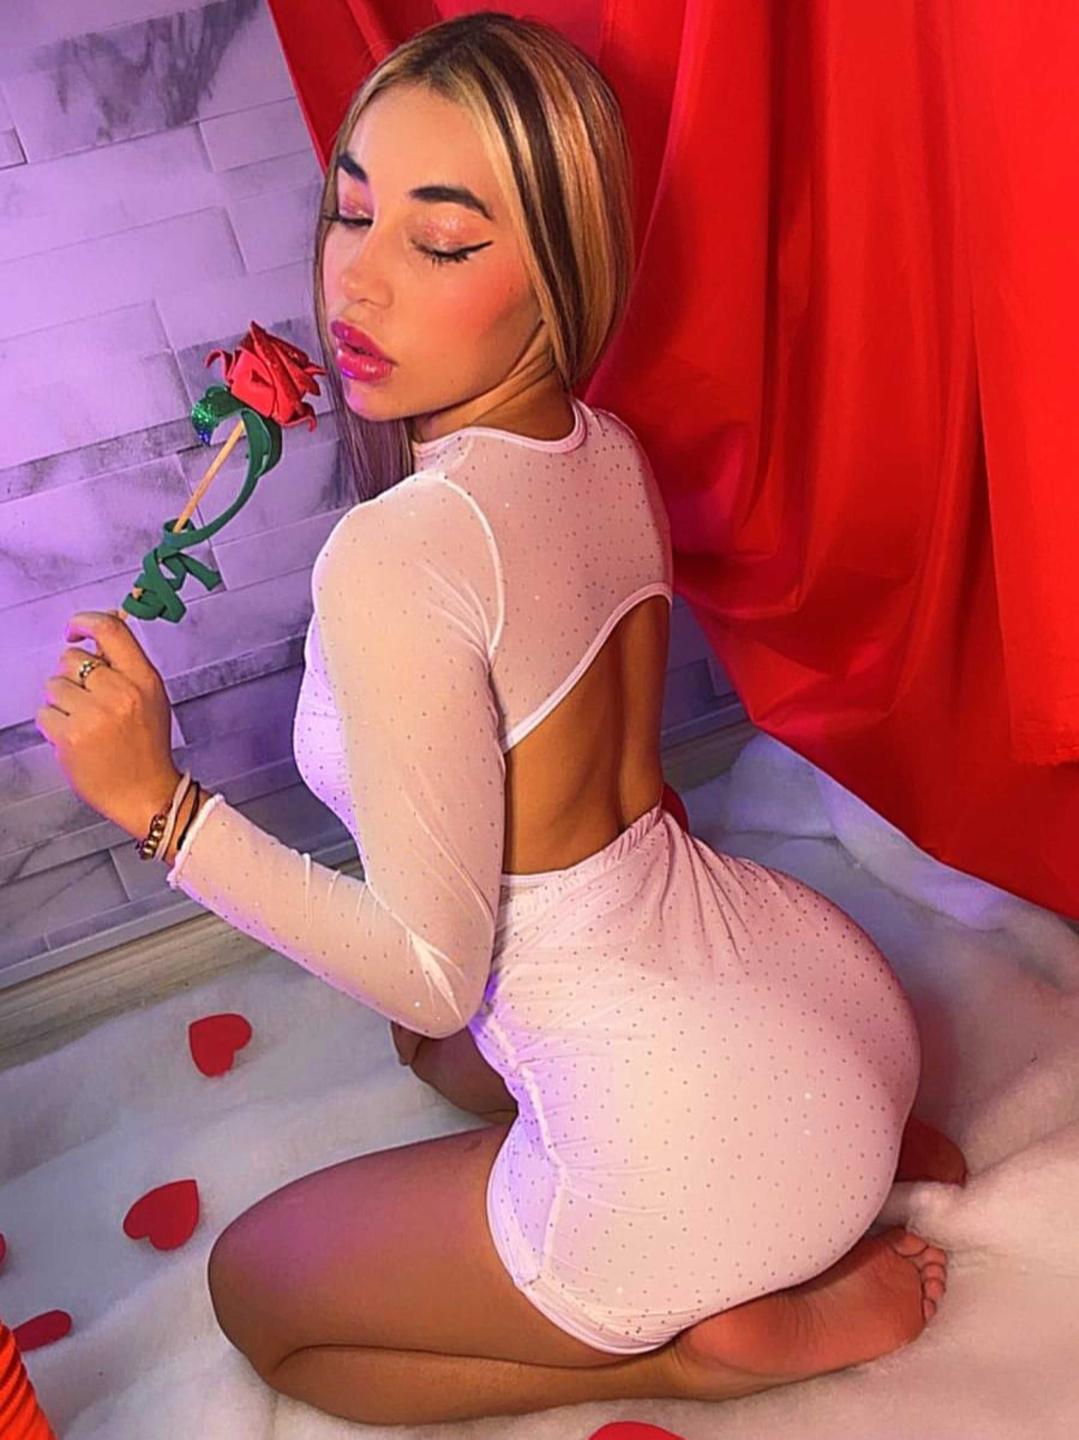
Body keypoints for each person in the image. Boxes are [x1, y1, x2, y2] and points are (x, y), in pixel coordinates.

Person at [166, 11, 952, 1426]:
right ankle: (809, 1176)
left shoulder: (399, 556)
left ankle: (689, 1348)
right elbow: (607, 818)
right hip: (835, 1014)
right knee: (436, 1050)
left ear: (560, 271)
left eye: (442, 243)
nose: (358, 281)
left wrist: (155, 809)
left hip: (692, 1151)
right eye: (352, 213)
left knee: (256, 1300)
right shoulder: (598, 448)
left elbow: (426, 969)